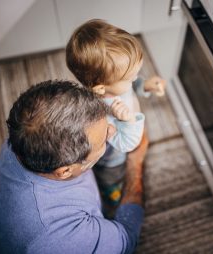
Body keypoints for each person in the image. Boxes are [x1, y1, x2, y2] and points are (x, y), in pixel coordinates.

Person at [0, 80, 148, 254]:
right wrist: (135, 164)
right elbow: (127, 238)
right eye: (104, 136)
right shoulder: (62, 236)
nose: (113, 131)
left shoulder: (19, 138)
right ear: (65, 171)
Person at [66, 19, 165, 213]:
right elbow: (127, 143)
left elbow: (131, 88)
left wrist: (145, 85)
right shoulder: (100, 115)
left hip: (128, 126)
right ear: (101, 88)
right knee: (111, 177)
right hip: (113, 158)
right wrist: (128, 121)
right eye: (131, 77)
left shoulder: (113, 86)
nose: (136, 77)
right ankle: (110, 192)